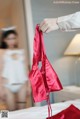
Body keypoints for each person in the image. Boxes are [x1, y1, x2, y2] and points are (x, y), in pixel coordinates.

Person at [0, 29, 31, 111]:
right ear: (4, 40)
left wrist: (29, 86)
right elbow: (0, 70)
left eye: (13, 38)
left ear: (16, 39)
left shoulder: (22, 51)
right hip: (7, 85)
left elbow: (26, 69)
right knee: (9, 111)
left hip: (22, 84)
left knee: (22, 110)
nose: (11, 41)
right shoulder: (1, 52)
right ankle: (4, 118)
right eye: (9, 39)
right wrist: (0, 89)